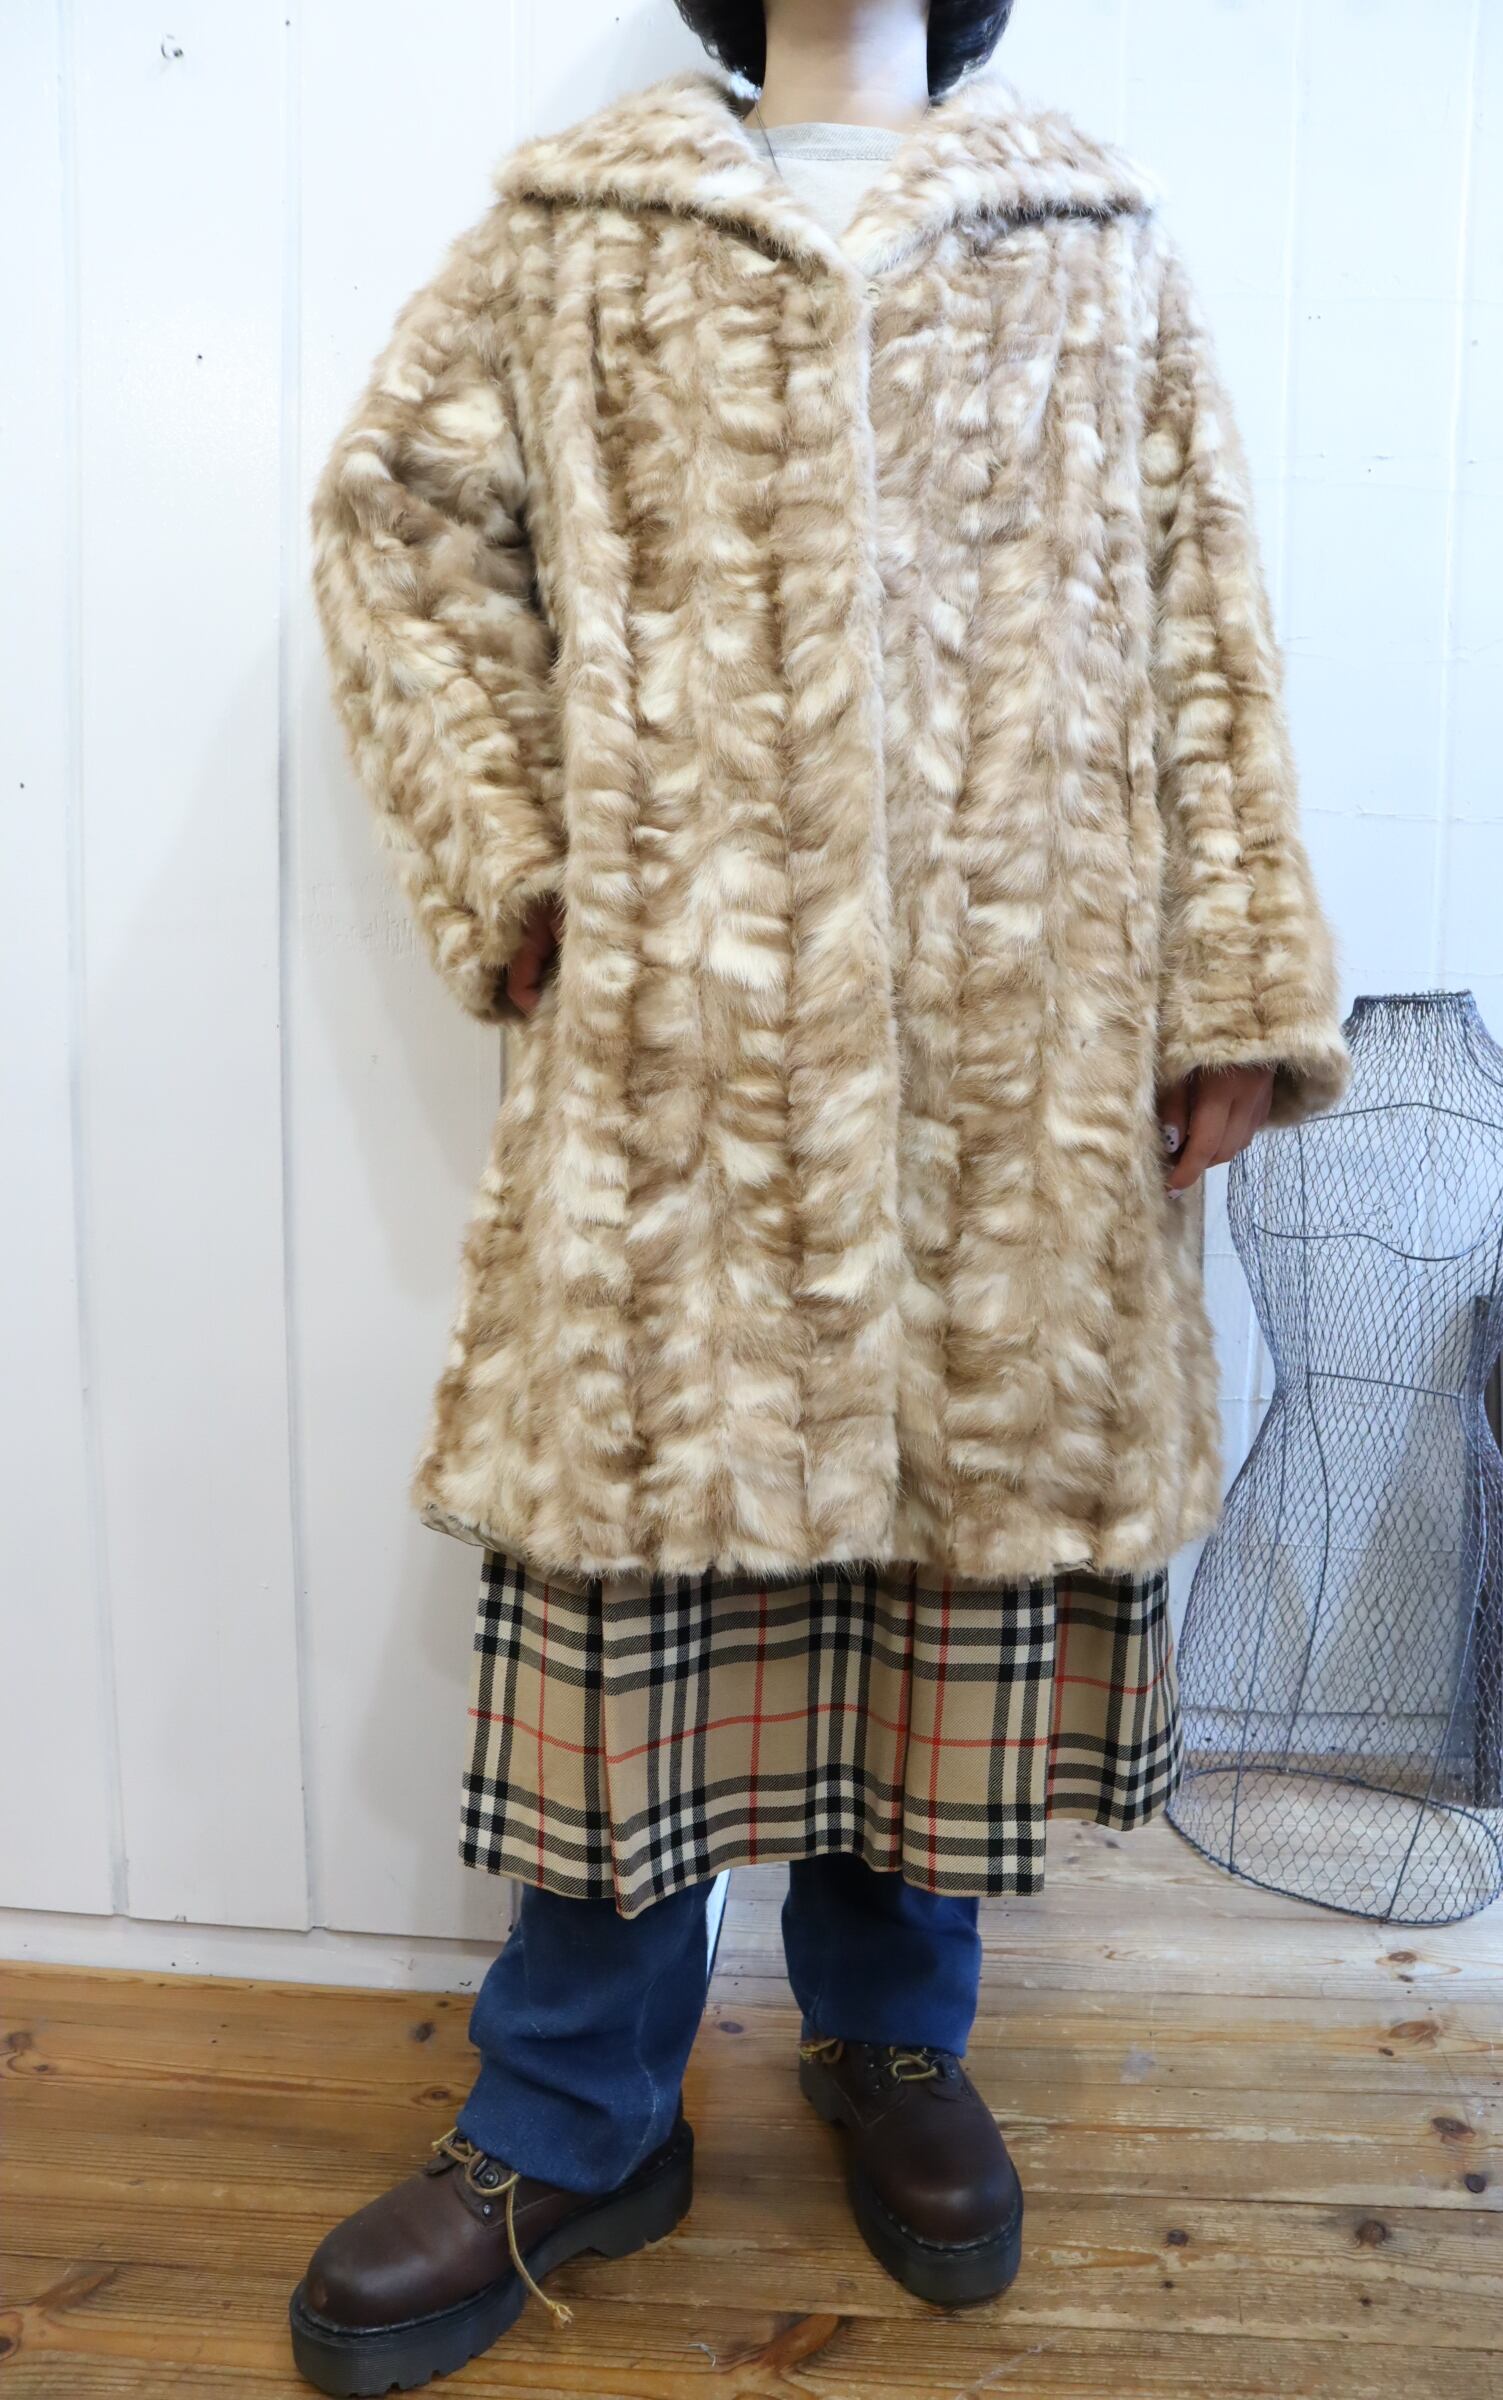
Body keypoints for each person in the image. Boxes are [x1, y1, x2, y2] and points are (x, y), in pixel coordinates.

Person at [290, 0, 1352, 2387]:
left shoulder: (1090, 235)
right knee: (641, 1544)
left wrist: (1230, 985)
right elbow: (398, 522)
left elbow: (1202, 621)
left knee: (949, 1540)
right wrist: (518, 858)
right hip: (690, 1046)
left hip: (1018, 1040)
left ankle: (891, 2039)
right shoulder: (581, 234)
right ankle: (574, 2109)